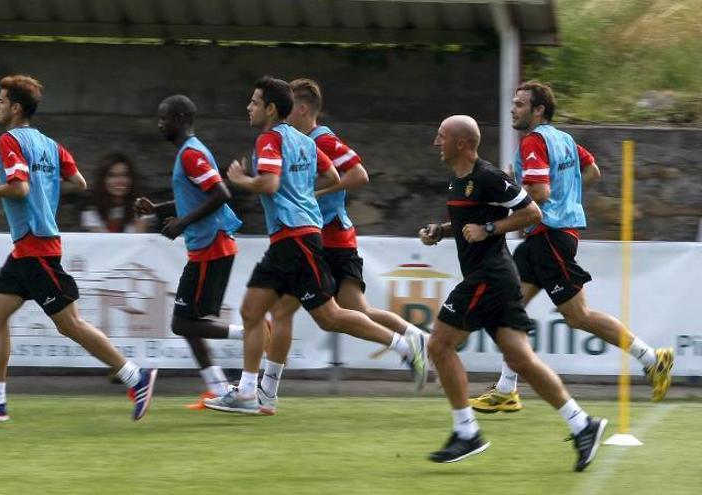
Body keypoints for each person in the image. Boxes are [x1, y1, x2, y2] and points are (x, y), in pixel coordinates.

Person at [203, 76, 422, 415]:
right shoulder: (305, 142)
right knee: (252, 310)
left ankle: (403, 346)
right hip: (293, 237)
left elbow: (270, 183)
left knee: (330, 316)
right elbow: (335, 177)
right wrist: (305, 194)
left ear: (271, 109)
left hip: (295, 237)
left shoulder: (269, 139)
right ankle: (252, 391)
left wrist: (240, 179)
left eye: (254, 102)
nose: (249, 107)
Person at [0, 75, 157, 422]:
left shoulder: (9, 141)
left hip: (36, 247)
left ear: (16, 108)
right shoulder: (51, 145)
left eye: (2, 101)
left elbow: (18, 189)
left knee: (71, 325)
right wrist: (44, 192)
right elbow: (79, 182)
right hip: (26, 249)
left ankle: (134, 375)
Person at [470, 81, 674, 413]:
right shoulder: (563, 139)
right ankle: (507, 387)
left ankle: (653, 358)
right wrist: (568, 198)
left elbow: (538, 194)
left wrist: (515, 190)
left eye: (520, 104)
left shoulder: (533, 141)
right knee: (508, 307)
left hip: (549, 235)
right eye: (514, 103)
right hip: (545, 235)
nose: (513, 109)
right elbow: (592, 170)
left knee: (578, 316)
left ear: (538, 110)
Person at [421, 115, 606, 471]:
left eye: (441, 136)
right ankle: (583, 425)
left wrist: (490, 228)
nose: (435, 142)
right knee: (521, 360)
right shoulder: (457, 182)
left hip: (488, 276)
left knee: (439, 344)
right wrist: (442, 231)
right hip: (497, 279)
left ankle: (466, 432)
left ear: (461, 143)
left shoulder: (489, 177)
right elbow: (467, 226)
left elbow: (532, 212)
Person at [134, 94, 244, 408]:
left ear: (181, 118)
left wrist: (181, 224)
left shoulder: (191, 154)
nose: (159, 124)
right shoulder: (189, 153)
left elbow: (221, 193)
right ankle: (218, 387)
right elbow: (195, 198)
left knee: (183, 323)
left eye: (164, 118)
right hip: (206, 247)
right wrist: (157, 209)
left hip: (212, 247)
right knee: (188, 321)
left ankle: (252, 333)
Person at [80, 152, 151, 233]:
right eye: (112, 175)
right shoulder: (90, 209)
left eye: (125, 175)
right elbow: (101, 242)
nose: (119, 181)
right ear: (103, 180)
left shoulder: (142, 206)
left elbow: (139, 240)